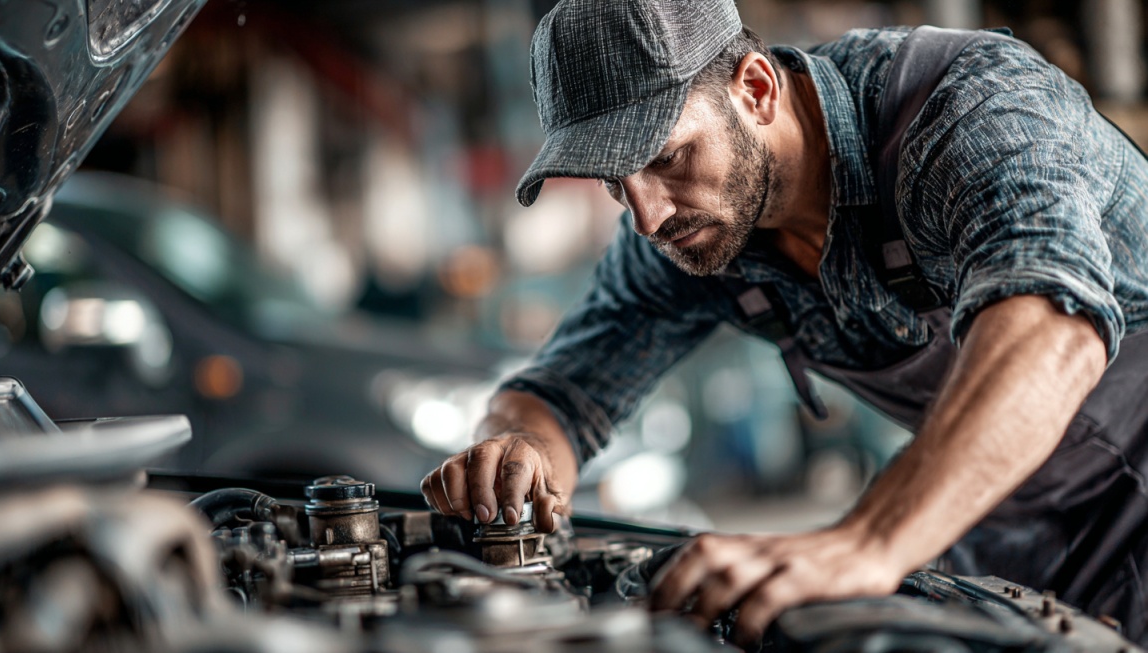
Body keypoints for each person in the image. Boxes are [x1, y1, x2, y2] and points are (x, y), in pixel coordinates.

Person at [420, 0, 1148, 645]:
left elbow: (1050, 326)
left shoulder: (966, 109)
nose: (646, 215)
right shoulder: (690, 229)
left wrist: (869, 540)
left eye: (667, 156)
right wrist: (515, 450)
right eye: (616, 181)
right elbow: (559, 393)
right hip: (999, 516)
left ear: (756, 89)